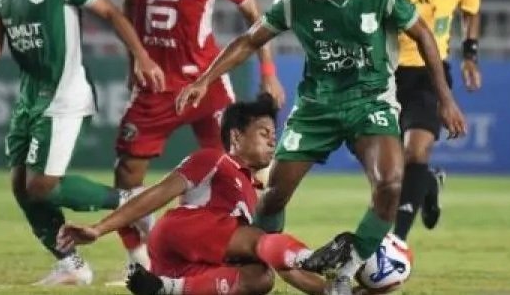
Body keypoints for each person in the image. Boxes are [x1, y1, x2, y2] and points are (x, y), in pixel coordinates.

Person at [176, 0, 468, 295]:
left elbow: (424, 34)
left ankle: (349, 265)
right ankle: (253, 265)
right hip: (317, 106)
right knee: (275, 194)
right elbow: (250, 40)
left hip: (370, 100)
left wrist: (445, 98)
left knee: (391, 183)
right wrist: (204, 79)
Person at [0, 0, 165, 286]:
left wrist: (142, 57)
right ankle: (70, 264)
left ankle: (131, 202)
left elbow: (112, 12)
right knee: (20, 186)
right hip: (29, 95)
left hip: (63, 94)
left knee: (42, 184)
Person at [113, 0, 286, 275]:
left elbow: (258, 21)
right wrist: (134, 58)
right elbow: (130, 6)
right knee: (127, 174)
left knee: (239, 168)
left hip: (206, 84)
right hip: (155, 86)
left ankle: (254, 251)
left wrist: (268, 72)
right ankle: (142, 263)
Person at [58, 95, 329, 295]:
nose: (273, 141)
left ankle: (167, 288)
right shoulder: (215, 160)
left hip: (186, 267)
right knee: (262, 240)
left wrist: (332, 291)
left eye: (274, 134)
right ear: (235, 137)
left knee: (260, 277)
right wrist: (98, 229)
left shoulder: (252, 190)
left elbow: (277, 262)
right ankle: (311, 257)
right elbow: (159, 193)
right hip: (183, 229)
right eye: (264, 133)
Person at [368, 0, 483, 240]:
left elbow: (471, 10)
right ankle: (427, 183)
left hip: (429, 73)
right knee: (389, 171)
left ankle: (396, 242)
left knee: (415, 150)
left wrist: (470, 55)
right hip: (385, 74)